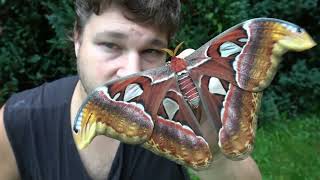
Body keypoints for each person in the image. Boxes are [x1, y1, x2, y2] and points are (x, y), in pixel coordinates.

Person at [0, 0, 262, 179]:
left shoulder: (171, 113)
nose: (132, 71)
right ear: (77, 39)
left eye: (151, 51)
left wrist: (214, 150)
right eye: (111, 45)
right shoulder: (17, 122)